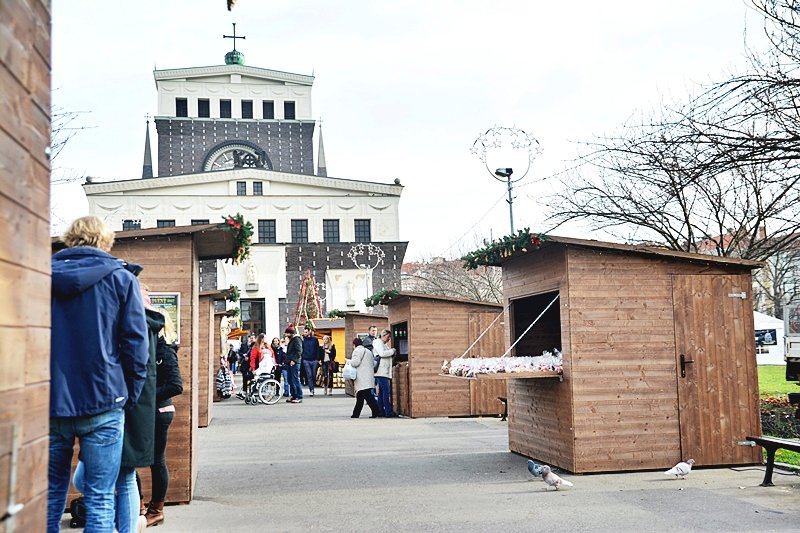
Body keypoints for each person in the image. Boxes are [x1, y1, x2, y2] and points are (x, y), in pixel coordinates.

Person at [49, 216, 149, 532]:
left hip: (51, 401)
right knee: (100, 497)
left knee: (49, 495)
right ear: (105, 242)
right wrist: (129, 394)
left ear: (70, 240)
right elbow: (135, 344)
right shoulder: (122, 280)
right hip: (105, 400)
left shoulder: (41, 277)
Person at [142, 309, 183, 527]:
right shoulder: (152, 347)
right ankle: (142, 506)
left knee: (157, 460)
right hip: (150, 411)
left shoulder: (164, 350)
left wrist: (148, 397)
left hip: (160, 412)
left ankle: (156, 510)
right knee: (134, 460)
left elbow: (176, 385)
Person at [349, 337, 379, 418]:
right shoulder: (368, 351)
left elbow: (355, 363)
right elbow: (373, 363)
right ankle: (357, 414)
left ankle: (375, 411)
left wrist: (349, 362)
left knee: (365, 397)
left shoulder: (357, 351)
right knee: (363, 396)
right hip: (368, 377)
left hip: (361, 377)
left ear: (354, 345)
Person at [373, 329, 398, 417]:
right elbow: (382, 354)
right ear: (383, 335)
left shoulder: (383, 344)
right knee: (386, 392)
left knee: (381, 393)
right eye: (388, 337)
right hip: (381, 371)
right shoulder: (378, 343)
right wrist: (392, 351)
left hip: (383, 371)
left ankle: (381, 411)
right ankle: (388, 411)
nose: (389, 339)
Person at [285, 325, 304, 403]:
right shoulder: (292, 339)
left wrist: (294, 360)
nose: (286, 335)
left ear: (291, 333)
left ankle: (299, 396)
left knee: (295, 379)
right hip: (290, 362)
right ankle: (294, 395)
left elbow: (299, 351)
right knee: (290, 379)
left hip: (294, 363)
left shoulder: (296, 339)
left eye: (287, 333)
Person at [301, 326, 321, 396]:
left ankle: (312, 387)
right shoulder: (303, 340)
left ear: (309, 331)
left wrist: (318, 359)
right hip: (306, 360)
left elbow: (318, 349)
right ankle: (311, 390)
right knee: (309, 375)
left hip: (314, 360)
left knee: (313, 375)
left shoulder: (315, 340)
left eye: (306, 332)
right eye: (304, 332)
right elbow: (301, 350)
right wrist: (302, 357)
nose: (305, 333)